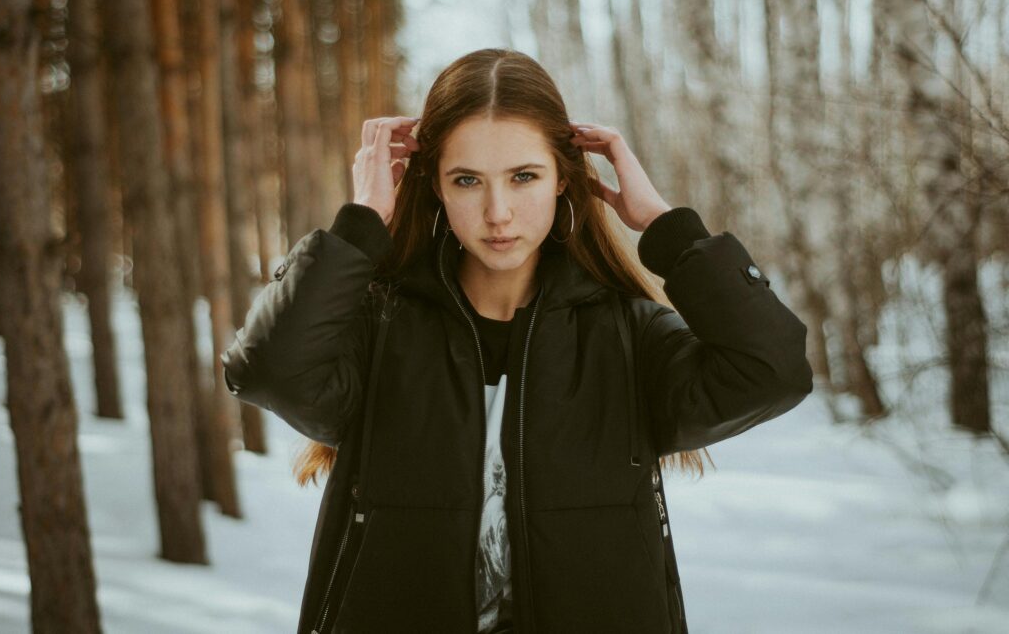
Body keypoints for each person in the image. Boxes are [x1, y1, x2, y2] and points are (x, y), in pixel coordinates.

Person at [221, 48, 813, 634]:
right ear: (436, 188)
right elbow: (266, 370)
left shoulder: (627, 337)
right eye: (467, 180)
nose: (497, 212)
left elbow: (772, 372)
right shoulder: (380, 329)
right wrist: (360, 223)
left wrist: (667, 229)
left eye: (524, 176)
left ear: (564, 179)